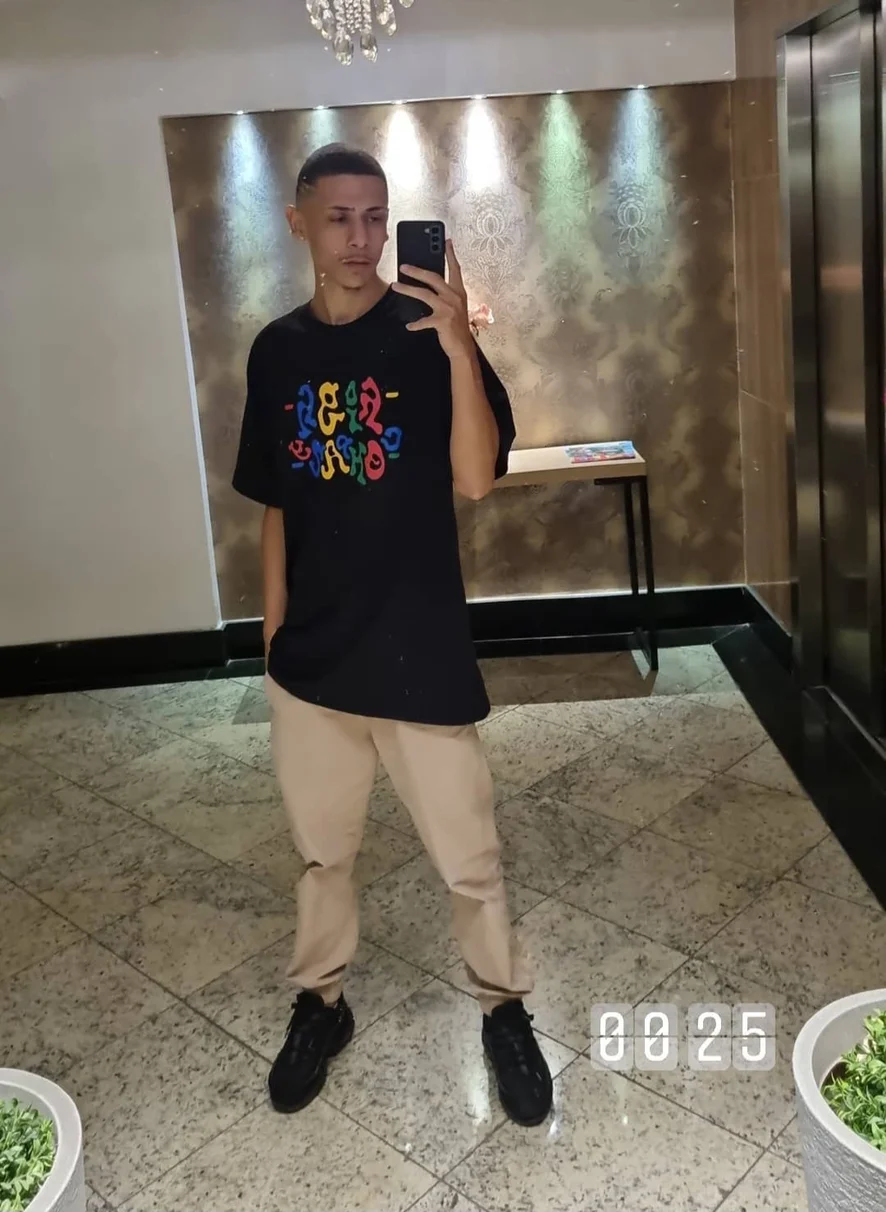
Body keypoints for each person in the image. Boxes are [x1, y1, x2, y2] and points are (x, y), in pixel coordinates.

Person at [232, 143, 552, 1127]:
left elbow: (477, 478)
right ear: (299, 223)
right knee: (322, 855)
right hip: (312, 659)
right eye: (338, 217)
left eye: (375, 216)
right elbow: (275, 501)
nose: (361, 237)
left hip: (417, 645)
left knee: (468, 859)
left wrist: (457, 345)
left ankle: (503, 1010)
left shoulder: (425, 335)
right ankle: (321, 1003)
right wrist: (274, 636)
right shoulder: (276, 351)